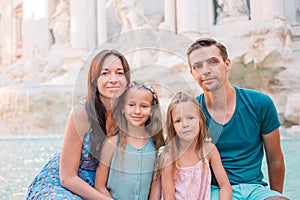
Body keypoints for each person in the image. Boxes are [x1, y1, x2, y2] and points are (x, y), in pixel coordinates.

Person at [187, 38, 287, 199]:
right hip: (213, 191)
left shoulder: (260, 103)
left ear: (227, 64)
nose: (205, 71)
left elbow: (275, 159)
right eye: (197, 66)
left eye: (213, 62)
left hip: (255, 189)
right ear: (192, 73)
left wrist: (274, 195)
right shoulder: (190, 112)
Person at [25, 49, 131, 199]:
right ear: (94, 80)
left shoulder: (132, 112)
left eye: (119, 73)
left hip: (100, 185)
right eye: (105, 73)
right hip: (64, 183)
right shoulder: (82, 113)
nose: (113, 79)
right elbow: (67, 177)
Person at [154, 92, 231, 200]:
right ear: (173, 126)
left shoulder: (209, 150)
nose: (185, 124)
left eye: (190, 118)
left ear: (200, 120)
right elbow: (169, 197)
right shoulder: (169, 157)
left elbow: (225, 186)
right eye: (178, 120)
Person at [94, 81, 165, 200]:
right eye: (131, 105)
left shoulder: (156, 145)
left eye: (144, 106)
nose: (137, 111)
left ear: (152, 110)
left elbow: (155, 187)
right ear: (123, 107)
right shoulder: (112, 143)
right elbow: (99, 185)